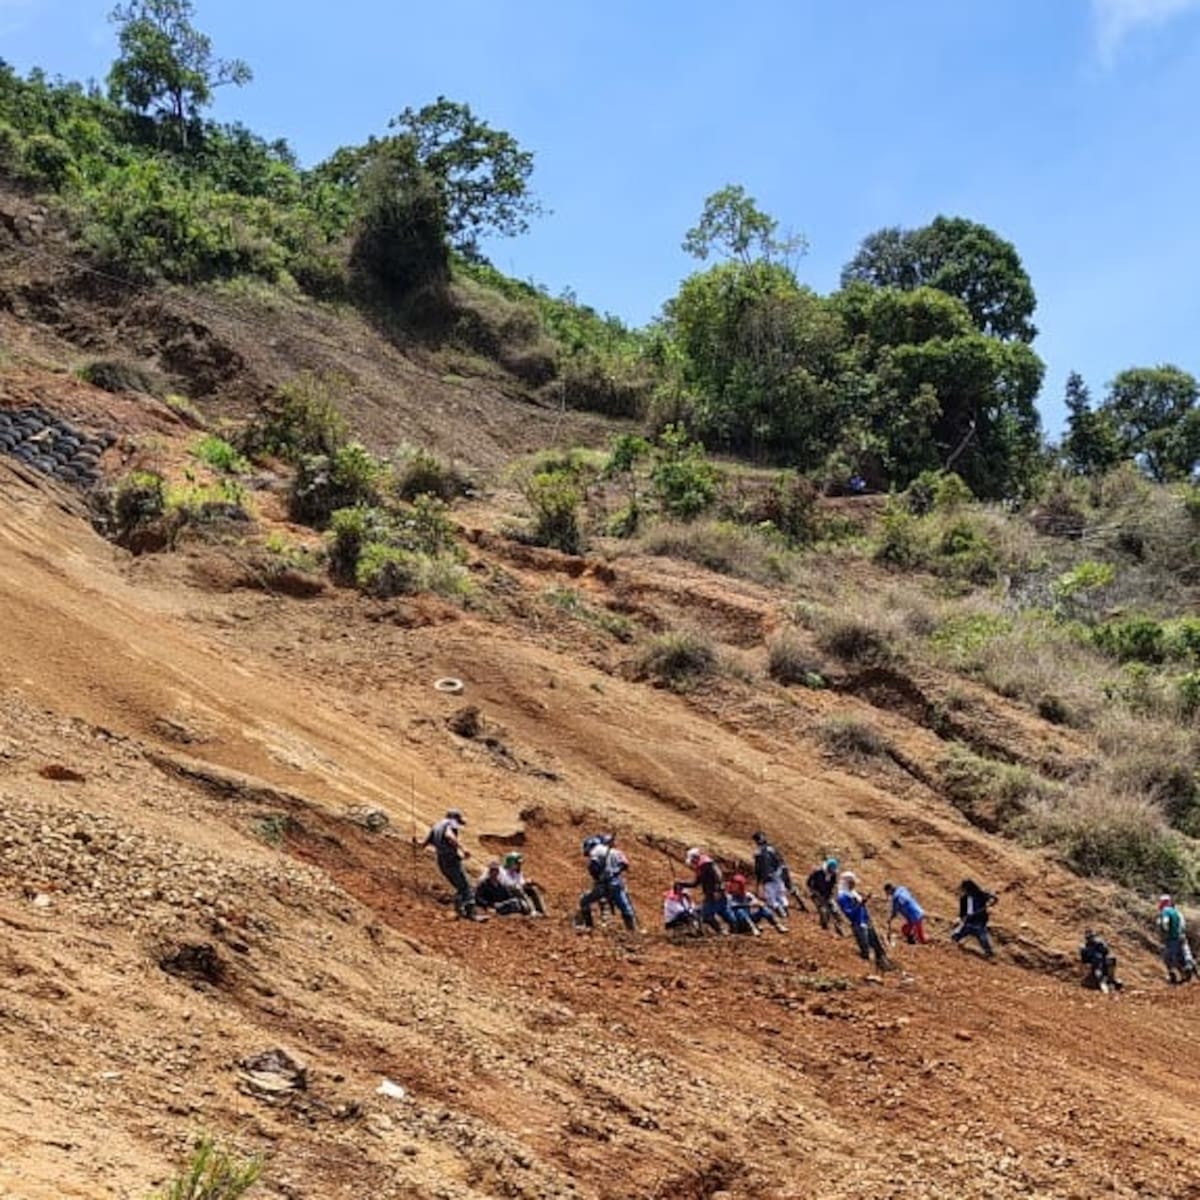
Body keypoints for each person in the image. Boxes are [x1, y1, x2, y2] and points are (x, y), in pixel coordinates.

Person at [421, 808, 483, 921]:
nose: (458, 825)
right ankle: (472, 914)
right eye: (458, 822)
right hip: (451, 860)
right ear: (454, 819)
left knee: (460, 886)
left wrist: (416, 845)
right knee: (467, 886)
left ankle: (459, 908)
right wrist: (463, 849)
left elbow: (424, 843)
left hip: (441, 861)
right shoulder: (449, 824)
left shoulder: (436, 826)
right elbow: (449, 835)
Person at [576, 834, 637, 932]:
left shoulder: (595, 851)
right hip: (617, 884)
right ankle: (632, 932)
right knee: (626, 908)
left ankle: (589, 926)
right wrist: (615, 871)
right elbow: (625, 864)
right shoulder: (615, 851)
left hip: (603, 886)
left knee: (584, 901)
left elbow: (593, 867)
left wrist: (597, 876)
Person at [836, 871, 892, 970]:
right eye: (851, 883)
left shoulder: (853, 893)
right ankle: (869, 970)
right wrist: (860, 904)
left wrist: (867, 917)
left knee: (876, 944)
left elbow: (862, 907)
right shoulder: (842, 897)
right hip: (858, 925)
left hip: (866, 921)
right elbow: (849, 914)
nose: (853, 885)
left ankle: (884, 966)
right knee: (865, 949)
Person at [752, 832, 805, 919]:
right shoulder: (772, 849)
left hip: (768, 878)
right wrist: (782, 874)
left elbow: (758, 869)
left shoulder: (758, 853)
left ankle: (782, 914)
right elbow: (781, 863)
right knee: (781, 895)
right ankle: (787, 912)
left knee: (771, 898)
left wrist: (758, 882)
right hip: (778, 875)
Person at [683, 847, 736, 934]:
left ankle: (722, 930)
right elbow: (695, 883)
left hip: (715, 893)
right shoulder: (703, 866)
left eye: (692, 861)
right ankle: (732, 928)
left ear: (695, 858)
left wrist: (717, 889)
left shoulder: (707, 865)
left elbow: (718, 876)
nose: (692, 864)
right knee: (723, 911)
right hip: (713, 893)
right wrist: (681, 883)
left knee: (708, 914)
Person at [951, 879, 997, 958]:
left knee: (983, 940)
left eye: (965, 889)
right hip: (968, 922)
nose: (964, 891)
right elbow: (962, 913)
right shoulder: (963, 899)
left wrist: (991, 902)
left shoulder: (980, 895)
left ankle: (989, 954)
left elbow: (994, 898)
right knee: (955, 936)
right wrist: (961, 918)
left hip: (979, 922)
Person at [1157, 895, 1197, 984]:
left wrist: (1165, 932)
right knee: (1184, 955)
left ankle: (1173, 976)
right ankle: (1189, 971)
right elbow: (1183, 925)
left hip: (1171, 938)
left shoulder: (1165, 911)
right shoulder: (1177, 912)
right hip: (1181, 936)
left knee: (1168, 958)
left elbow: (1165, 923)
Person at [499, 851, 545, 916]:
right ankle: (532, 911)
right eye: (517, 863)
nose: (519, 865)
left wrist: (527, 883)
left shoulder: (516, 872)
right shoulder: (502, 872)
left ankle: (541, 911)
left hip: (516, 891)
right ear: (511, 863)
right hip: (505, 894)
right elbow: (509, 884)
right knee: (516, 888)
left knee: (532, 889)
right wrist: (521, 885)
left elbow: (521, 882)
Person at [807, 857, 845, 935]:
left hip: (827, 895)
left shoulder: (833, 875)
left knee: (835, 910)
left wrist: (832, 894)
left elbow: (833, 885)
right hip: (817, 894)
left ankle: (839, 927)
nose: (832, 870)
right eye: (831, 868)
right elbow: (808, 882)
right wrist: (814, 892)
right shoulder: (818, 872)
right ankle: (824, 927)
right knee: (823, 910)